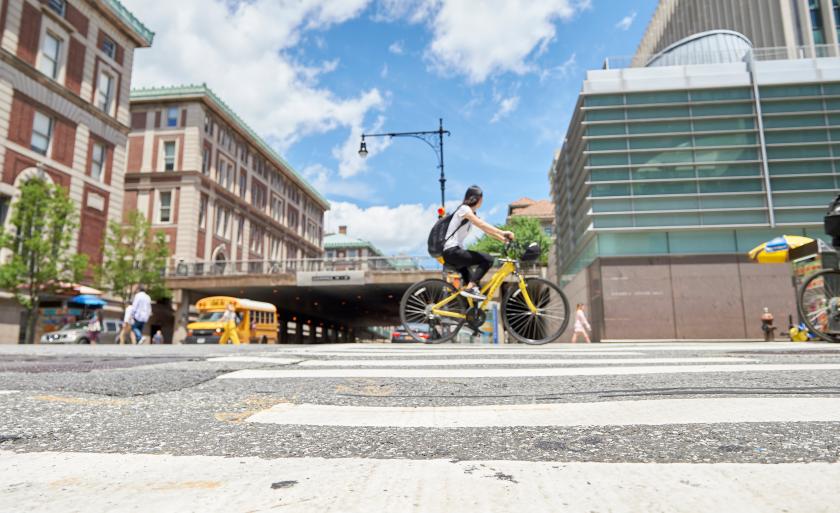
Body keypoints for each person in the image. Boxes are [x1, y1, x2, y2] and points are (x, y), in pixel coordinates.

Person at [441, 185, 515, 300]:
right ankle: (471, 287)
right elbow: (481, 224)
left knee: (473, 292)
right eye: (482, 198)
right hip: (452, 251)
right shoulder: (464, 209)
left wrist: (502, 239)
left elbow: (486, 230)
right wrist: (503, 231)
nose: (482, 201)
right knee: (488, 259)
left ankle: (468, 314)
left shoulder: (471, 214)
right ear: (477, 198)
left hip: (455, 252)